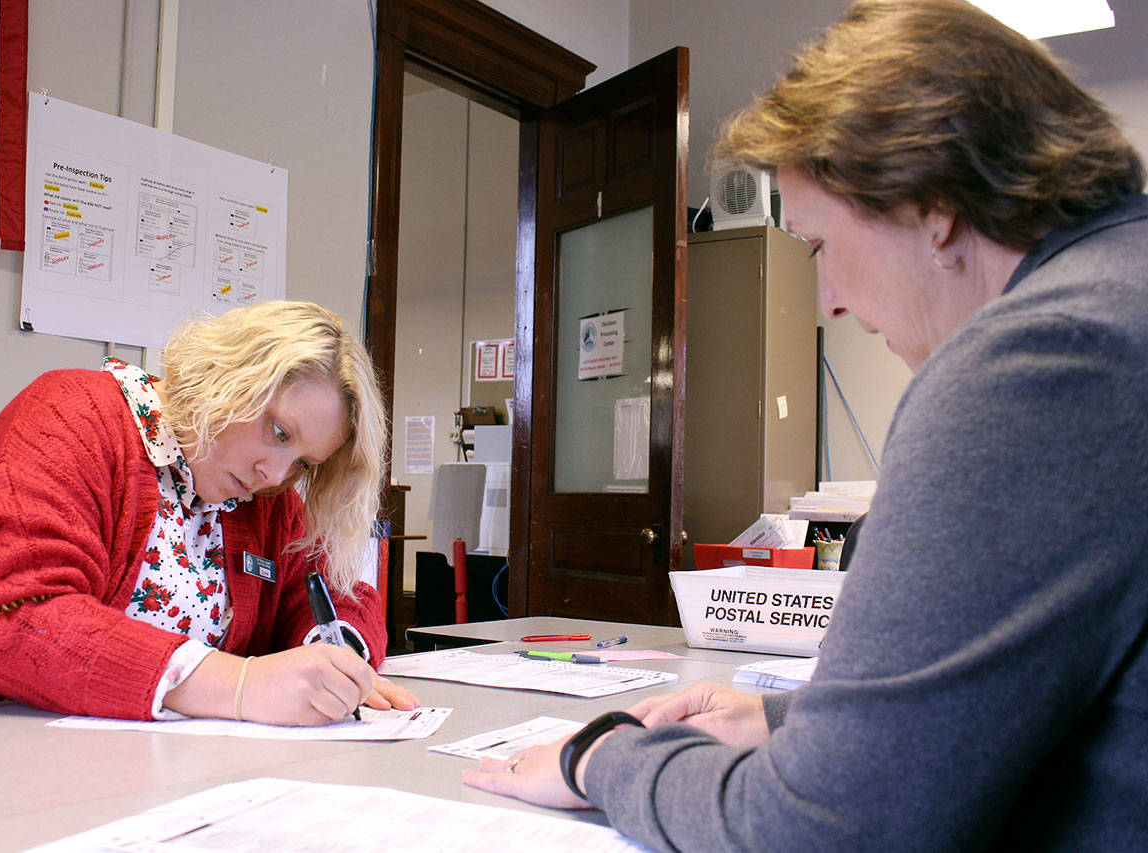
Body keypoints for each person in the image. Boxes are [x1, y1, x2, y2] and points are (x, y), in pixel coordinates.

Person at [464, 0, 1148, 847]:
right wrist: (793, 719)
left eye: (819, 246)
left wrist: (604, 756)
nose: (825, 299)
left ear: (930, 202)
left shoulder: (1039, 363)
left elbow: (825, 829)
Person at [0, 300, 418, 726]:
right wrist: (239, 685)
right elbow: (16, 620)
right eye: (279, 432)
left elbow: (340, 593)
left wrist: (338, 659)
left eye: (303, 462)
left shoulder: (264, 499)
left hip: (165, 774)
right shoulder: (70, 416)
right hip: (1, 761)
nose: (275, 473)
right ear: (231, 377)